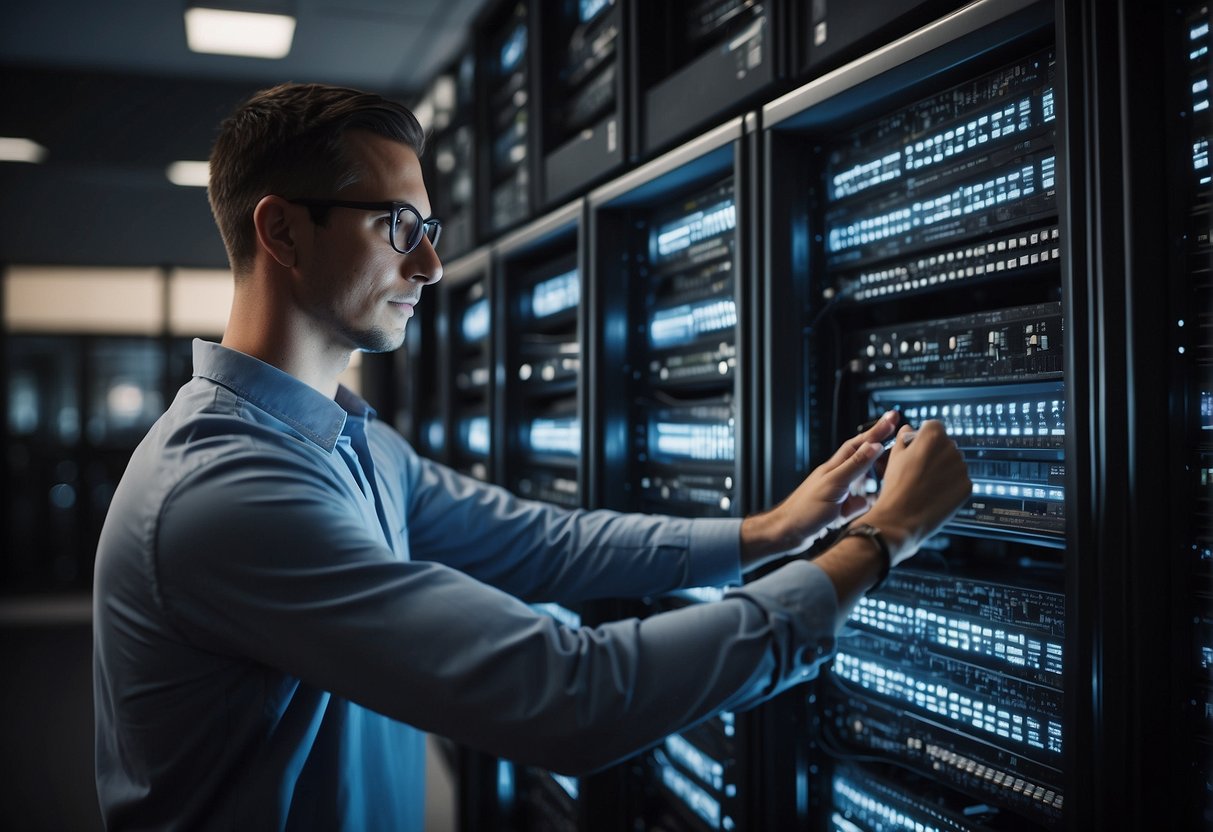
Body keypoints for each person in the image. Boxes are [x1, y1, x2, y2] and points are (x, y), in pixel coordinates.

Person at [92, 82, 971, 830]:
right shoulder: (227, 492)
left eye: (429, 226)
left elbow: (546, 544)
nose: (431, 264)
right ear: (282, 232)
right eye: (399, 225)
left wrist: (769, 531)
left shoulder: (345, 441)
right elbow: (568, 698)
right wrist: (881, 541)